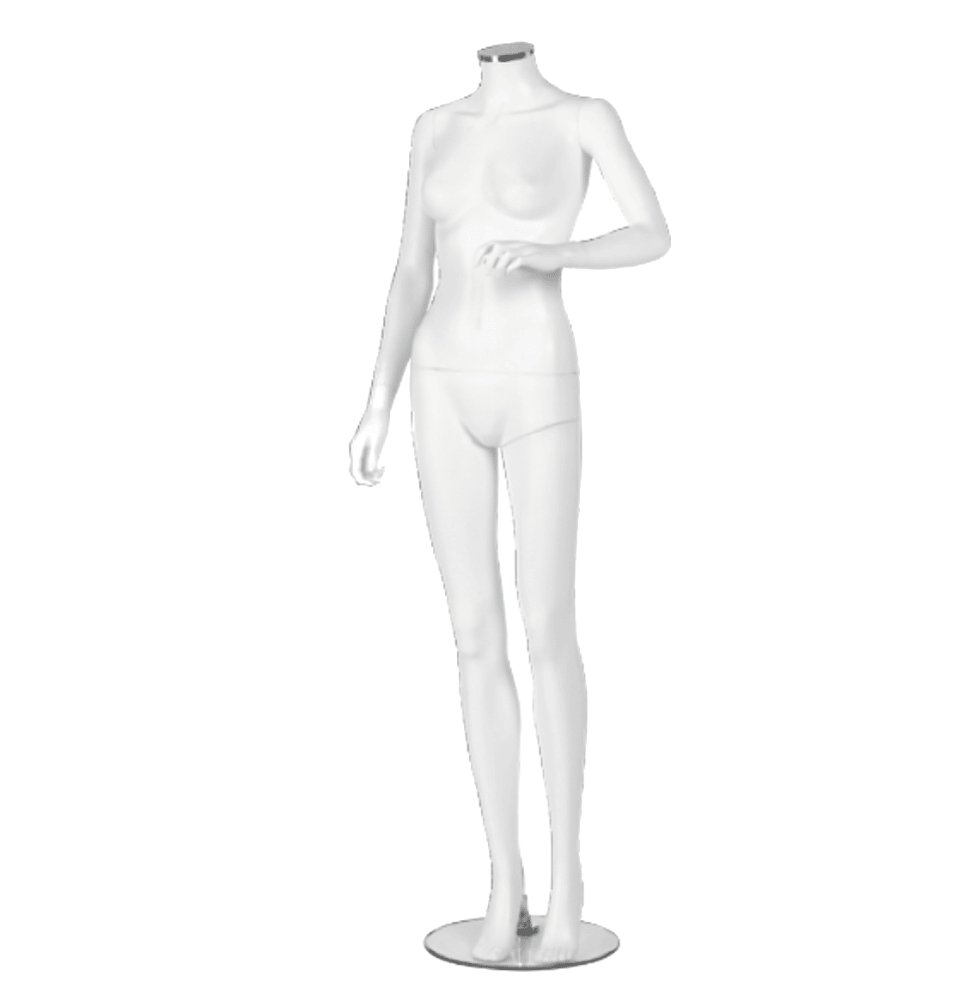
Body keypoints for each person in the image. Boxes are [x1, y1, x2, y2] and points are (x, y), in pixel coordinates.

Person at [349, 40, 670, 965]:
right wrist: (377, 398)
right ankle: (503, 885)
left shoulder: (582, 117)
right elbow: (411, 270)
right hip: (439, 380)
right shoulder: (432, 128)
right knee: (472, 635)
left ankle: (569, 890)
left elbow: (652, 231)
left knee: (548, 628)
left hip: (536, 375)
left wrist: (557, 251)